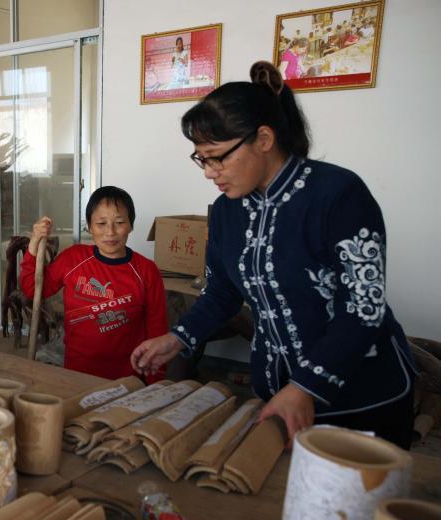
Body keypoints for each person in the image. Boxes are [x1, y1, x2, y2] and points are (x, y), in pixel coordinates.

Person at [131, 61, 416, 449]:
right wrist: (179, 337)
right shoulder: (228, 211)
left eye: (217, 157)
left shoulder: (338, 194)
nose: (209, 172)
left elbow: (363, 307)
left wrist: (306, 385)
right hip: (279, 392)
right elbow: (221, 292)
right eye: (201, 158)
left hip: (359, 397)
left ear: (263, 139)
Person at [20, 186, 168, 381]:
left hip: (127, 377)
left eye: (119, 222)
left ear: (131, 225)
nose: (110, 232)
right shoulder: (73, 259)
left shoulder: (146, 271)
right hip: (76, 372)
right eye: (101, 223)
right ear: (89, 227)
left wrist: (153, 382)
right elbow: (33, 289)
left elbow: (158, 331)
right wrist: (34, 244)